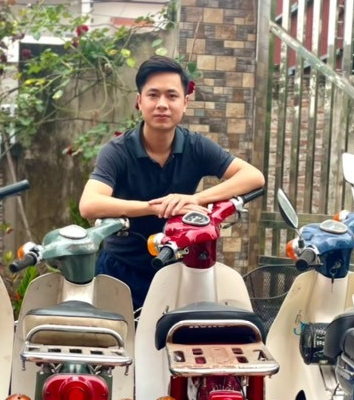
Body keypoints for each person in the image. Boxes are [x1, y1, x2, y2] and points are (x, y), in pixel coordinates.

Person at [78, 56, 265, 309]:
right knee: (119, 334)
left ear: (185, 103)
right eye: (153, 95)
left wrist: (195, 199)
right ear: (139, 101)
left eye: (172, 96)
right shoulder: (117, 151)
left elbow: (253, 177)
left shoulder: (195, 146)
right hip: (120, 270)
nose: (162, 104)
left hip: (180, 269)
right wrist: (154, 207)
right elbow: (89, 204)